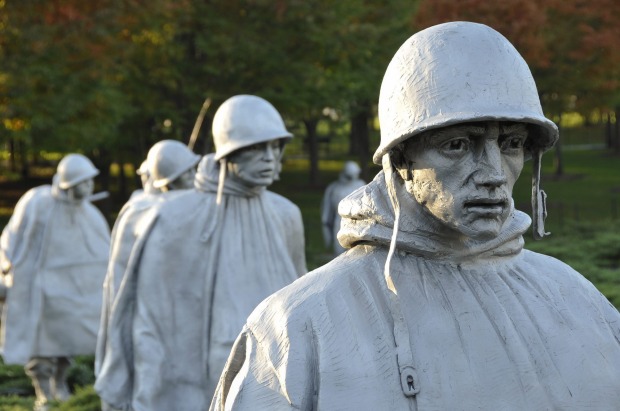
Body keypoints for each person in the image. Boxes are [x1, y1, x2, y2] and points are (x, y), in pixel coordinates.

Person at [210, 22, 620, 410]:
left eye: (512, 144)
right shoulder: (296, 327)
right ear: (401, 159)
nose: (494, 174)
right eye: (458, 145)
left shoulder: (578, 300)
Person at [95, 95, 307, 411]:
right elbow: (151, 316)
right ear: (227, 152)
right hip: (197, 371)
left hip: (272, 366)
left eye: (275, 147)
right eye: (254, 148)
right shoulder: (174, 217)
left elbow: (300, 295)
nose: (268, 157)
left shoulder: (285, 214)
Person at [0, 154, 110, 411]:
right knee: (41, 344)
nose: (88, 188)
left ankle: (59, 383)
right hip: (40, 287)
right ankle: (42, 392)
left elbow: (103, 254)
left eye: (90, 182)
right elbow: (12, 235)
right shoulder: (38, 201)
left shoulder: (89, 213)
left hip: (71, 291)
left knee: (66, 341)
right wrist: (6, 262)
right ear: (68, 184)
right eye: (83, 183)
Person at [95, 140, 200, 384]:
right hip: (152, 315)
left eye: (194, 171)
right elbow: (120, 280)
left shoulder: (202, 209)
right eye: (187, 174)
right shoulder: (140, 212)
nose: (194, 179)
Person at [320, 161, 365, 256]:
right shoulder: (334, 188)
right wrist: (326, 227)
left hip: (358, 224)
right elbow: (326, 212)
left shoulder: (360, 186)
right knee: (340, 254)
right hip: (339, 223)